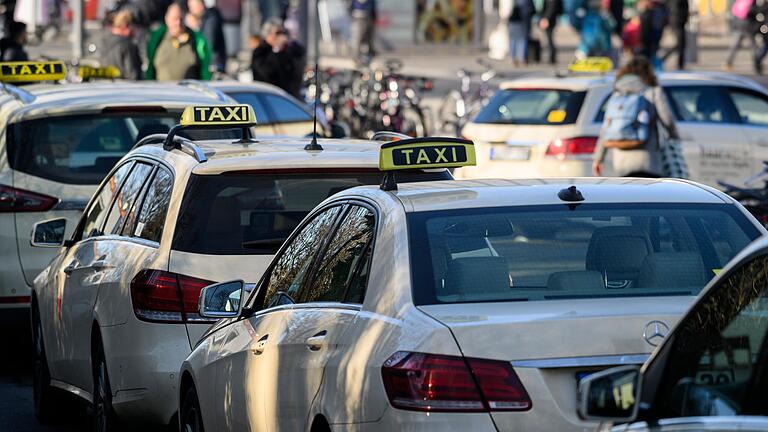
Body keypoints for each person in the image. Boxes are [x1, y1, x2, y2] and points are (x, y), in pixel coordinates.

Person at [593, 56, 680, 178]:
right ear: (648, 73)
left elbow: (605, 129)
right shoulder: (653, 92)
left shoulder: (617, 94)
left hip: (621, 162)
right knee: (649, 196)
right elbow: (667, 120)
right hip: (648, 159)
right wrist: (674, 137)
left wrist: (598, 159)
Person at [145, 3, 212, 81]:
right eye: (175, 19)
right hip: (161, 92)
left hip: (189, 92)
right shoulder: (157, 40)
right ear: (166, 19)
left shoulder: (197, 41)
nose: (178, 23)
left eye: (181, 19)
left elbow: (205, 71)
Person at [250, 19, 306, 98]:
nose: (281, 36)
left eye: (283, 33)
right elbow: (266, 73)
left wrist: (287, 47)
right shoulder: (260, 52)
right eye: (278, 33)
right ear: (268, 35)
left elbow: (297, 69)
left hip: (290, 97)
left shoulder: (289, 50)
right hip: (268, 97)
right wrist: (276, 49)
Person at [186, 0, 227, 73]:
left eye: (192, 7)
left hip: (214, 65)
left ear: (201, 6)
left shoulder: (211, 18)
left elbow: (209, 42)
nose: (190, 11)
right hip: (209, 64)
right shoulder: (204, 19)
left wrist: (196, 27)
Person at [101, 9, 142, 80]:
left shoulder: (102, 42)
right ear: (126, 25)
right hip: (125, 87)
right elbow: (133, 74)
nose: (136, 30)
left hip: (105, 86)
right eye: (134, 26)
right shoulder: (128, 45)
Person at [725, 0, 756, 70]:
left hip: (739, 24)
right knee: (753, 46)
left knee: (736, 44)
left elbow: (734, 10)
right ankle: (757, 62)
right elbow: (753, 11)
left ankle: (728, 62)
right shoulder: (751, 1)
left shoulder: (739, 1)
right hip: (748, 24)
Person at [508, 0, 535, 66]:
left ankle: (512, 58)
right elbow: (532, 10)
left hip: (513, 23)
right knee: (522, 40)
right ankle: (522, 58)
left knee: (513, 40)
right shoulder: (528, 1)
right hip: (523, 23)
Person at [664, 0, 689, 69]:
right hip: (677, 22)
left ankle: (680, 64)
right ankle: (663, 58)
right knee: (680, 44)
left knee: (682, 44)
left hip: (680, 22)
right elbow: (674, 9)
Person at [539, 0, 563, 64]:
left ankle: (552, 57)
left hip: (550, 21)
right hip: (550, 20)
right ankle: (552, 57)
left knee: (550, 39)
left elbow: (551, 8)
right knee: (549, 39)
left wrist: (545, 19)